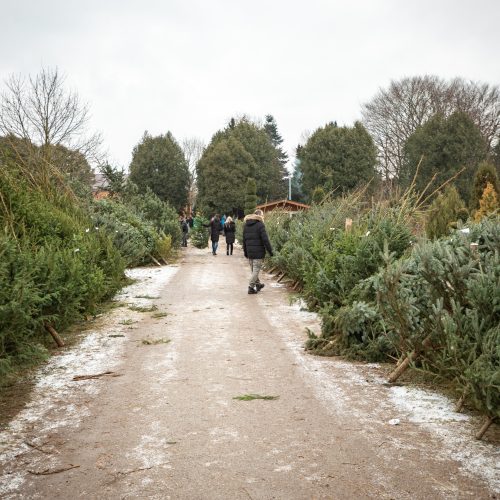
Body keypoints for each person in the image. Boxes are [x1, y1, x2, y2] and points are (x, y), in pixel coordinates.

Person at [242, 209, 273, 294]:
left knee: (253, 269)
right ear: (259, 215)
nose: (263, 217)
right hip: (258, 252)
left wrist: (245, 252)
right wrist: (270, 251)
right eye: (262, 215)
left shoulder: (246, 225)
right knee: (256, 270)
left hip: (250, 252)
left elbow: (244, 240)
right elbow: (265, 239)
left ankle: (258, 284)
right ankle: (251, 287)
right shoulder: (260, 225)